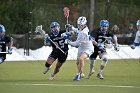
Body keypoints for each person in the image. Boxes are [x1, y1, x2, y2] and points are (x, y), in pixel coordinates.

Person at [62, 16, 98, 81]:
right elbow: (77, 30)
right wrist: (71, 27)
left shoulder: (83, 33)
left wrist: (68, 42)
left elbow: (76, 44)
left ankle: (78, 74)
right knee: (77, 63)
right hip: (81, 47)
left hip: (88, 48)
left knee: (81, 59)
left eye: (81, 25)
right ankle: (81, 73)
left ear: (84, 24)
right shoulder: (82, 28)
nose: (80, 26)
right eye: (79, 25)